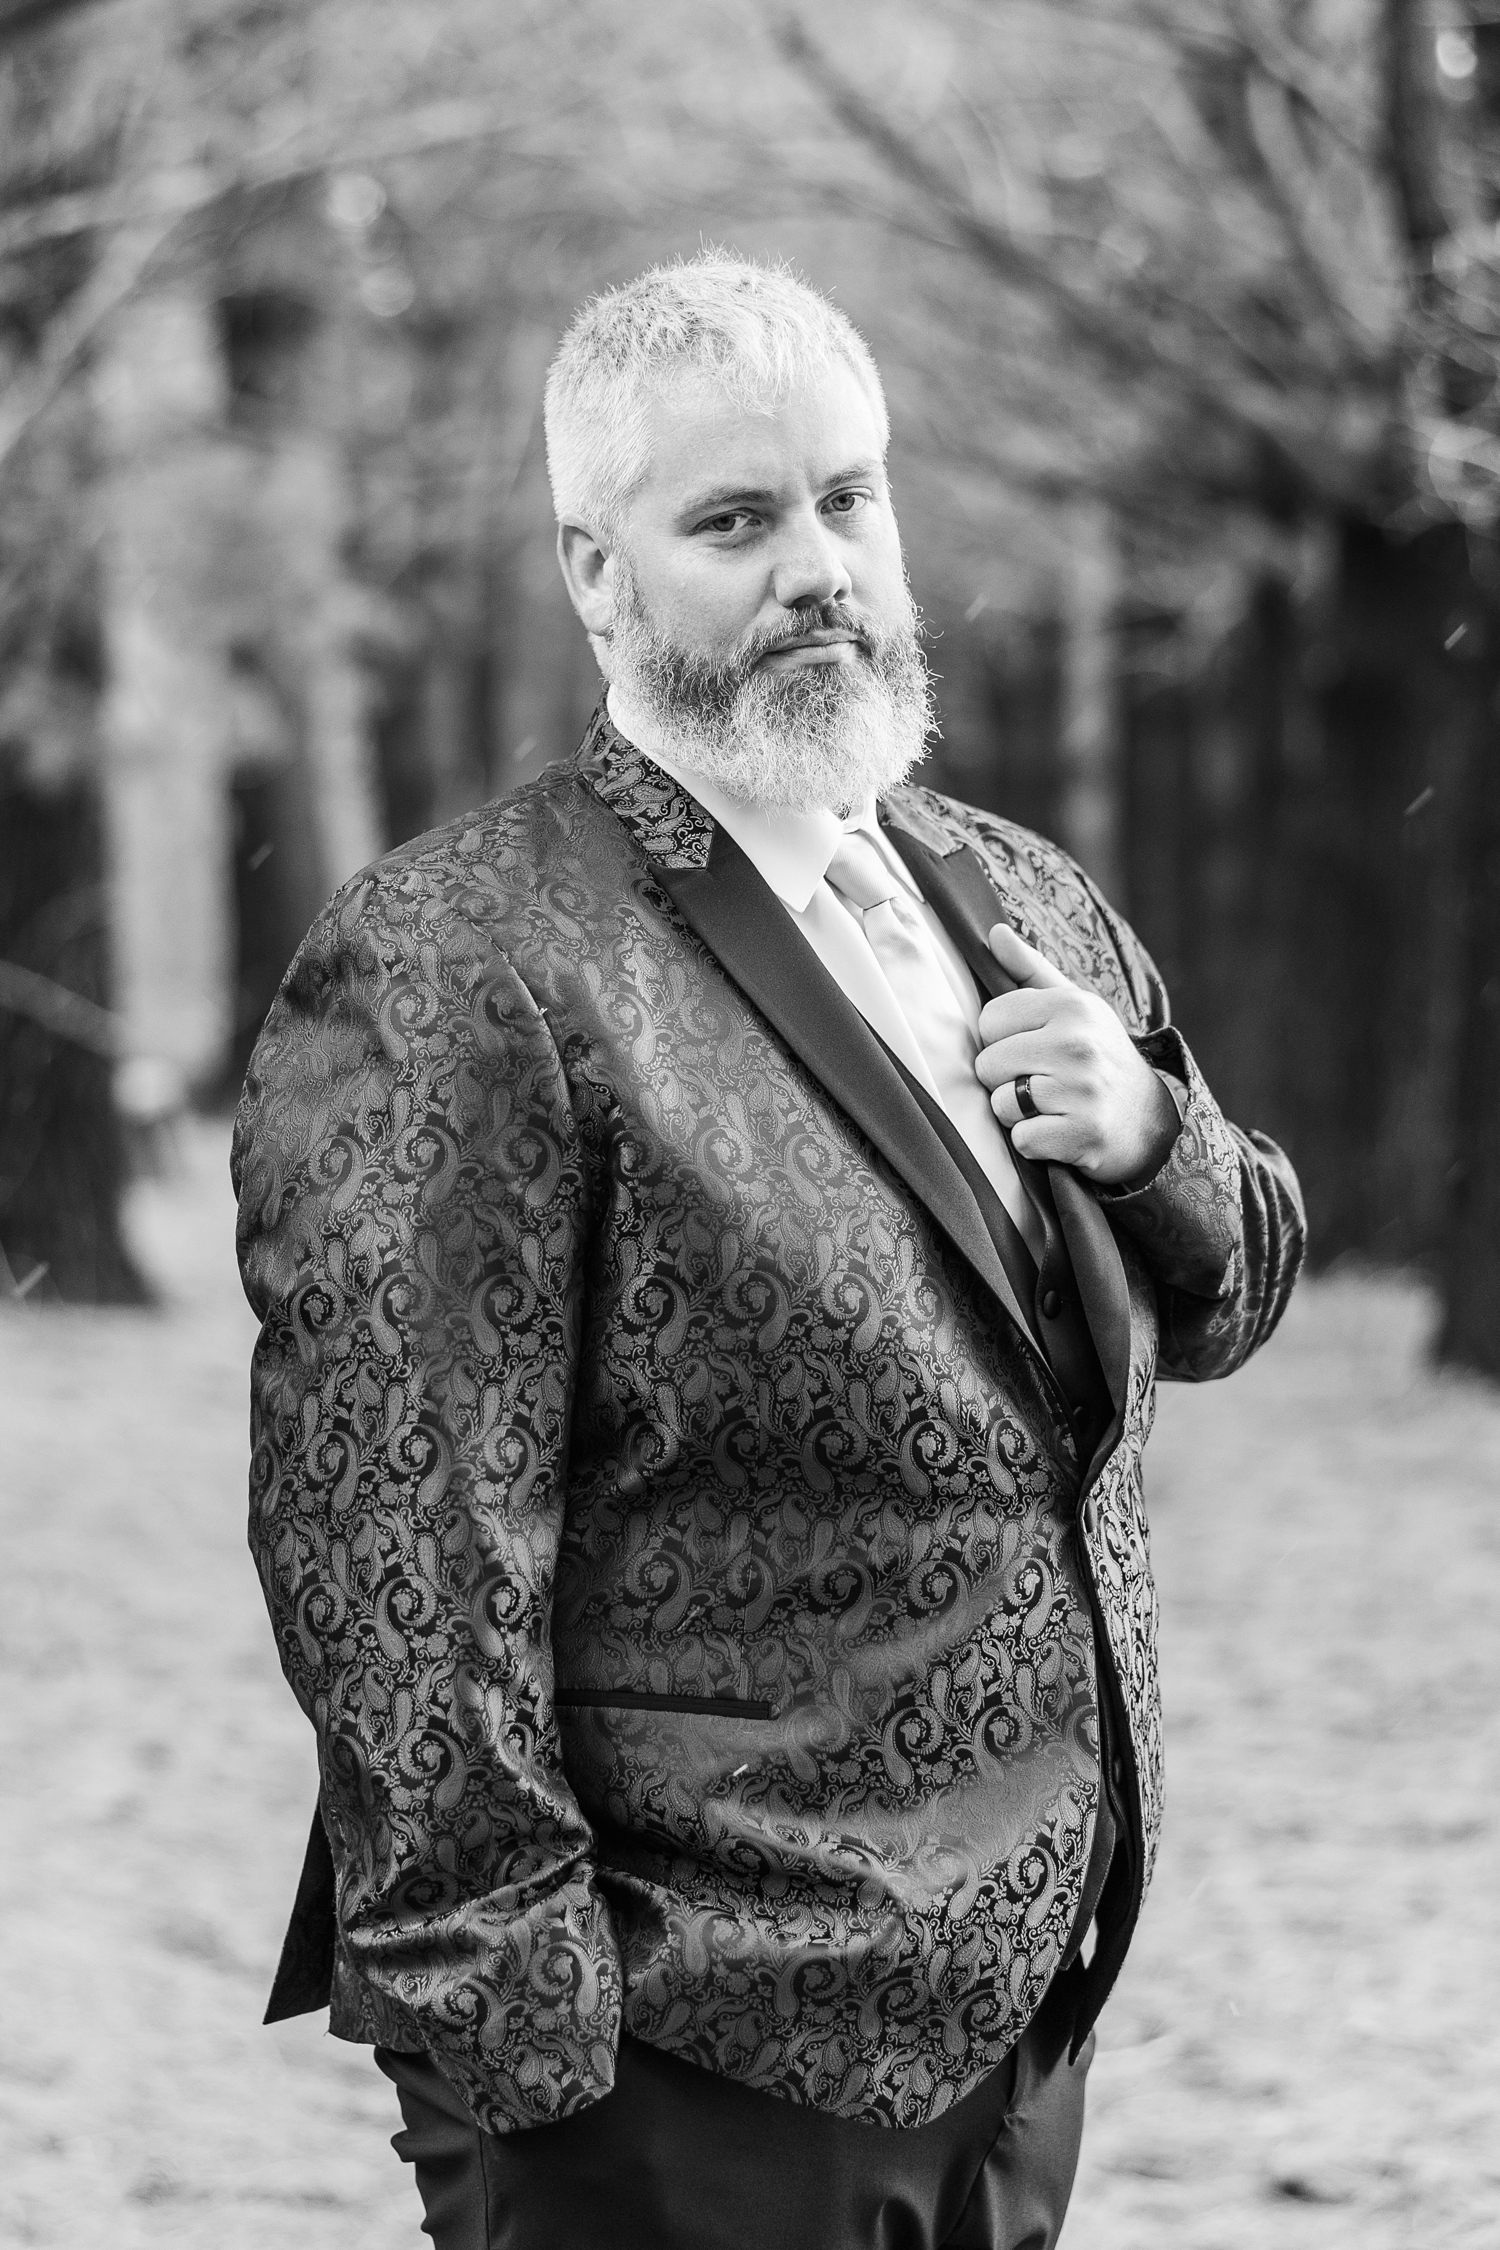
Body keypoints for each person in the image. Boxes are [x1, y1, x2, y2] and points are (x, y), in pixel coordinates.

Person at [233, 251, 1305, 2250]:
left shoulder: (1017, 899)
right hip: (688, 2063)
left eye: (847, 499)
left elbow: (1231, 1296)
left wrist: (1156, 1140)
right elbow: (396, 1555)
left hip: (1017, 2026)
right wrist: (539, 2075)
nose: (815, 564)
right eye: (732, 521)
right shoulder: (466, 960)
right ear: (597, 574)